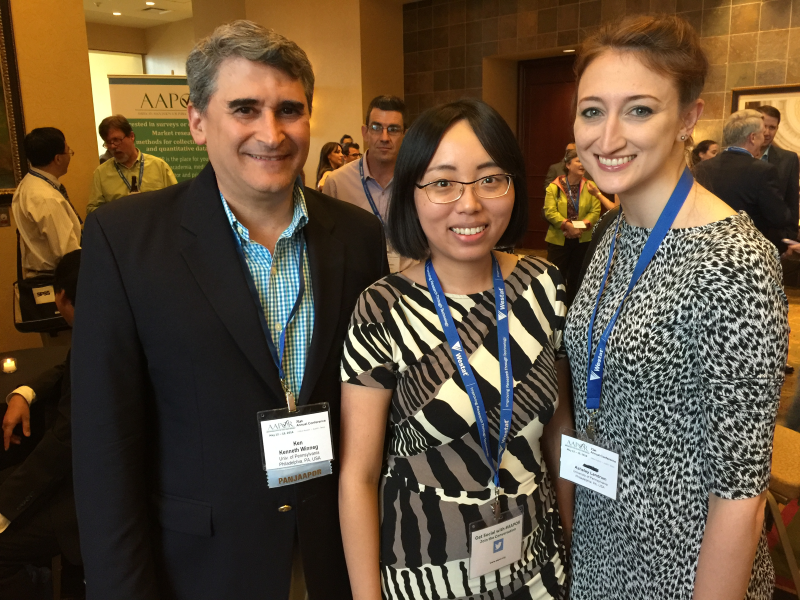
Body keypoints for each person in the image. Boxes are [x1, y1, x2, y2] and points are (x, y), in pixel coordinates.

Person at [71, 21, 387, 600]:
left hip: (335, 553)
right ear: (197, 121)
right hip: (202, 565)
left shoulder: (358, 236)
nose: (271, 132)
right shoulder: (126, 241)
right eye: (244, 108)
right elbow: (104, 448)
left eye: (289, 109)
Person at [565, 14, 788, 600]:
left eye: (639, 109)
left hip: (682, 567)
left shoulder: (734, 260)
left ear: (689, 117)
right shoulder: (616, 230)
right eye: (592, 110)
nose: (607, 137)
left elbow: (740, 491)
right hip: (603, 545)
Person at [339, 99, 571, 600]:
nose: (470, 204)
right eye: (443, 182)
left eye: (490, 179)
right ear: (412, 195)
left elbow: (558, 430)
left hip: (537, 562)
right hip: (425, 567)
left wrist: (576, 546)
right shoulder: (381, 307)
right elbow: (358, 474)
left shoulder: (544, 286)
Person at [0, 250, 82, 600]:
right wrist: (25, 392)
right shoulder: (110, 324)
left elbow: (62, 445)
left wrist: (4, 509)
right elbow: (66, 368)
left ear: (60, 297)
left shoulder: (99, 349)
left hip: (87, 497)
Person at [323, 95, 414, 273]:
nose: (384, 137)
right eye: (376, 128)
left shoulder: (419, 180)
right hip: (358, 287)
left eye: (393, 129)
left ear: (406, 134)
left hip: (411, 288)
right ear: (365, 133)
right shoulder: (337, 183)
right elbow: (326, 247)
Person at [693, 109, 789, 250]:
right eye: (762, 133)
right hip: (746, 252)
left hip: (705, 249)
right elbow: (779, 218)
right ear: (753, 137)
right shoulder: (762, 171)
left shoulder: (701, 168)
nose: (764, 138)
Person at [12, 128, 81, 279]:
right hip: (55, 279)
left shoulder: (28, 184)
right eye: (68, 151)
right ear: (58, 158)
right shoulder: (46, 197)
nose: (70, 156)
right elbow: (67, 252)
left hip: (42, 276)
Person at [543, 149, 602, 307]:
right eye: (578, 161)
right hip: (558, 238)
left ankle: (573, 308)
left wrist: (579, 228)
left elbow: (595, 211)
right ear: (568, 165)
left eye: (584, 161)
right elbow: (550, 211)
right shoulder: (554, 187)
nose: (582, 164)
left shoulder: (590, 186)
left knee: (578, 276)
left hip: (582, 239)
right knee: (556, 275)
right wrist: (567, 225)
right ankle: (554, 307)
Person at [86, 114, 178, 214]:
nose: (113, 146)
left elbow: (176, 200)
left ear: (131, 136)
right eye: (108, 142)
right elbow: (92, 210)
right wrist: (117, 210)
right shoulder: (101, 173)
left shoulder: (159, 166)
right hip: (120, 227)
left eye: (116, 140)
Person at [755, 105, 800, 240]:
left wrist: (789, 237)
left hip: (773, 237)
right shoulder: (739, 157)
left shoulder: (789, 159)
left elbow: (792, 201)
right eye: (764, 126)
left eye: (772, 127)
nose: (767, 132)